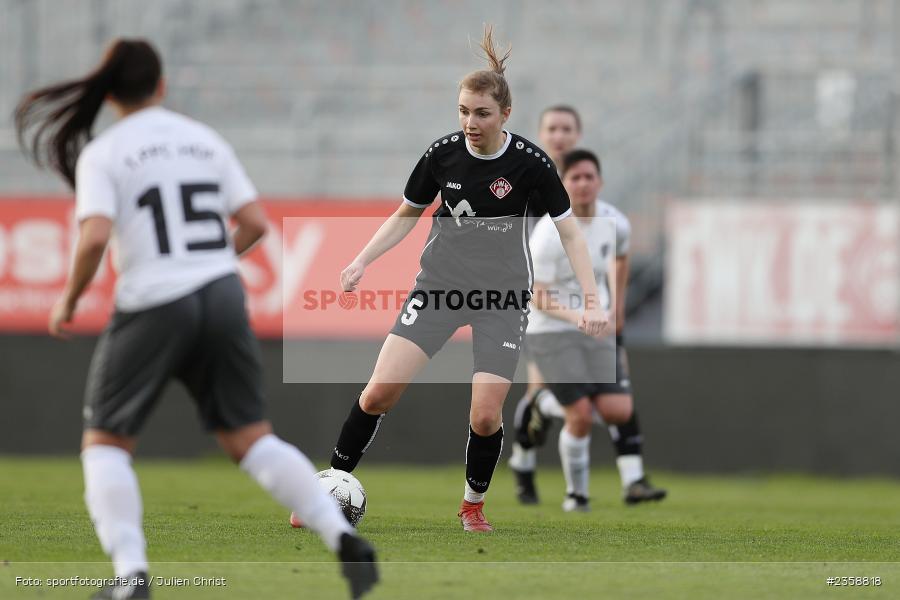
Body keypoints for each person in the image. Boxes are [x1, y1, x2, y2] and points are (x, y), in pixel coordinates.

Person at [14, 39, 377, 600]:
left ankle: (131, 576)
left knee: (106, 443)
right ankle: (341, 536)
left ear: (109, 95)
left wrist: (67, 300)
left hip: (155, 299)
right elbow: (255, 224)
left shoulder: (105, 153)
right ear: (161, 86)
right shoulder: (204, 140)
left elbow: (93, 237)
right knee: (252, 439)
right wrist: (206, 265)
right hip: (223, 295)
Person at [307, 26, 608, 533]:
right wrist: (362, 261)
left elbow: (571, 234)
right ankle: (327, 492)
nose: (471, 122)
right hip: (439, 288)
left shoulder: (531, 164)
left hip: (502, 298)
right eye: (463, 111)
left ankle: (472, 507)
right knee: (378, 393)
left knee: (485, 416)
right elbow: (406, 214)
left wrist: (593, 300)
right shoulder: (442, 154)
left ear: (505, 113)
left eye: (482, 113)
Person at [509, 105, 667, 507]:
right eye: (552, 128)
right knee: (550, 397)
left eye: (567, 128)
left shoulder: (605, 212)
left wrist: (614, 309)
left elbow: (619, 254)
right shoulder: (526, 187)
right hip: (543, 310)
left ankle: (632, 479)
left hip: (590, 314)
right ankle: (526, 466)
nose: (559, 135)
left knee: (613, 403)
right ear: (540, 134)